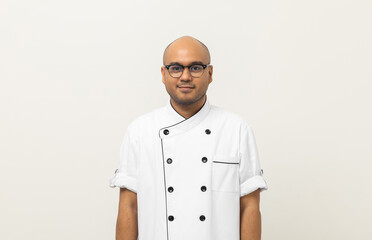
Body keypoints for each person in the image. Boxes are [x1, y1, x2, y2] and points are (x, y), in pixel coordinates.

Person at [109, 35, 268, 240]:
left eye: (195, 68)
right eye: (176, 68)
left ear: (210, 73)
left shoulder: (236, 128)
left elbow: (250, 207)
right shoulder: (140, 130)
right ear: (163, 74)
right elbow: (129, 207)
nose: (185, 76)